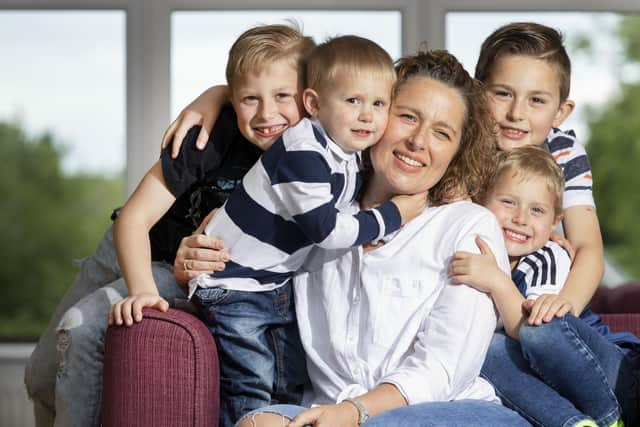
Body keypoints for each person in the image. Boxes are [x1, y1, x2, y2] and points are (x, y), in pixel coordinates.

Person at [167, 48, 532, 427]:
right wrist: (196, 266)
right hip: (326, 408)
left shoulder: (467, 225)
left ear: (456, 154)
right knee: (258, 423)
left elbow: (442, 369)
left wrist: (354, 412)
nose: (418, 141)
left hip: (448, 409)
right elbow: (250, 273)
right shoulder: (316, 211)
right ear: (375, 116)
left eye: (442, 133)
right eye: (407, 117)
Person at [24, 23, 316, 427]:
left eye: (283, 96)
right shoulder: (214, 133)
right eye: (251, 98)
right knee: (39, 378)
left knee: (77, 333)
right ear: (233, 99)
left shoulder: (320, 153)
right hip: (130, 242)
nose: (267, 114)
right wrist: (141, 291)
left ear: (311, 96)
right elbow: (134, 219)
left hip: (176, 268)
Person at [450, 146, 640, 426]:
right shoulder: (476, 250)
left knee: (542, 328)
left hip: (612, 373)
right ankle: (573, 423)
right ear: (481, 202)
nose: (521, 218)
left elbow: (530, 327)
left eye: (536, 210)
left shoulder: (548, 256)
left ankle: (610, 418)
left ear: (555, 222)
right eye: (508, 202)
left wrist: (496, 281)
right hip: (555, 383)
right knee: (485, 351)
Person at [474, 22, 604, 325]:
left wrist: (561, 308)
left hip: (545, 304)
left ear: (560, 112)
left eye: (536, 100)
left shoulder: (563, 151)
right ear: (478, 93)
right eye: (503, 93)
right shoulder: (460, 142)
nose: (517, 113)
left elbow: (588, 248)